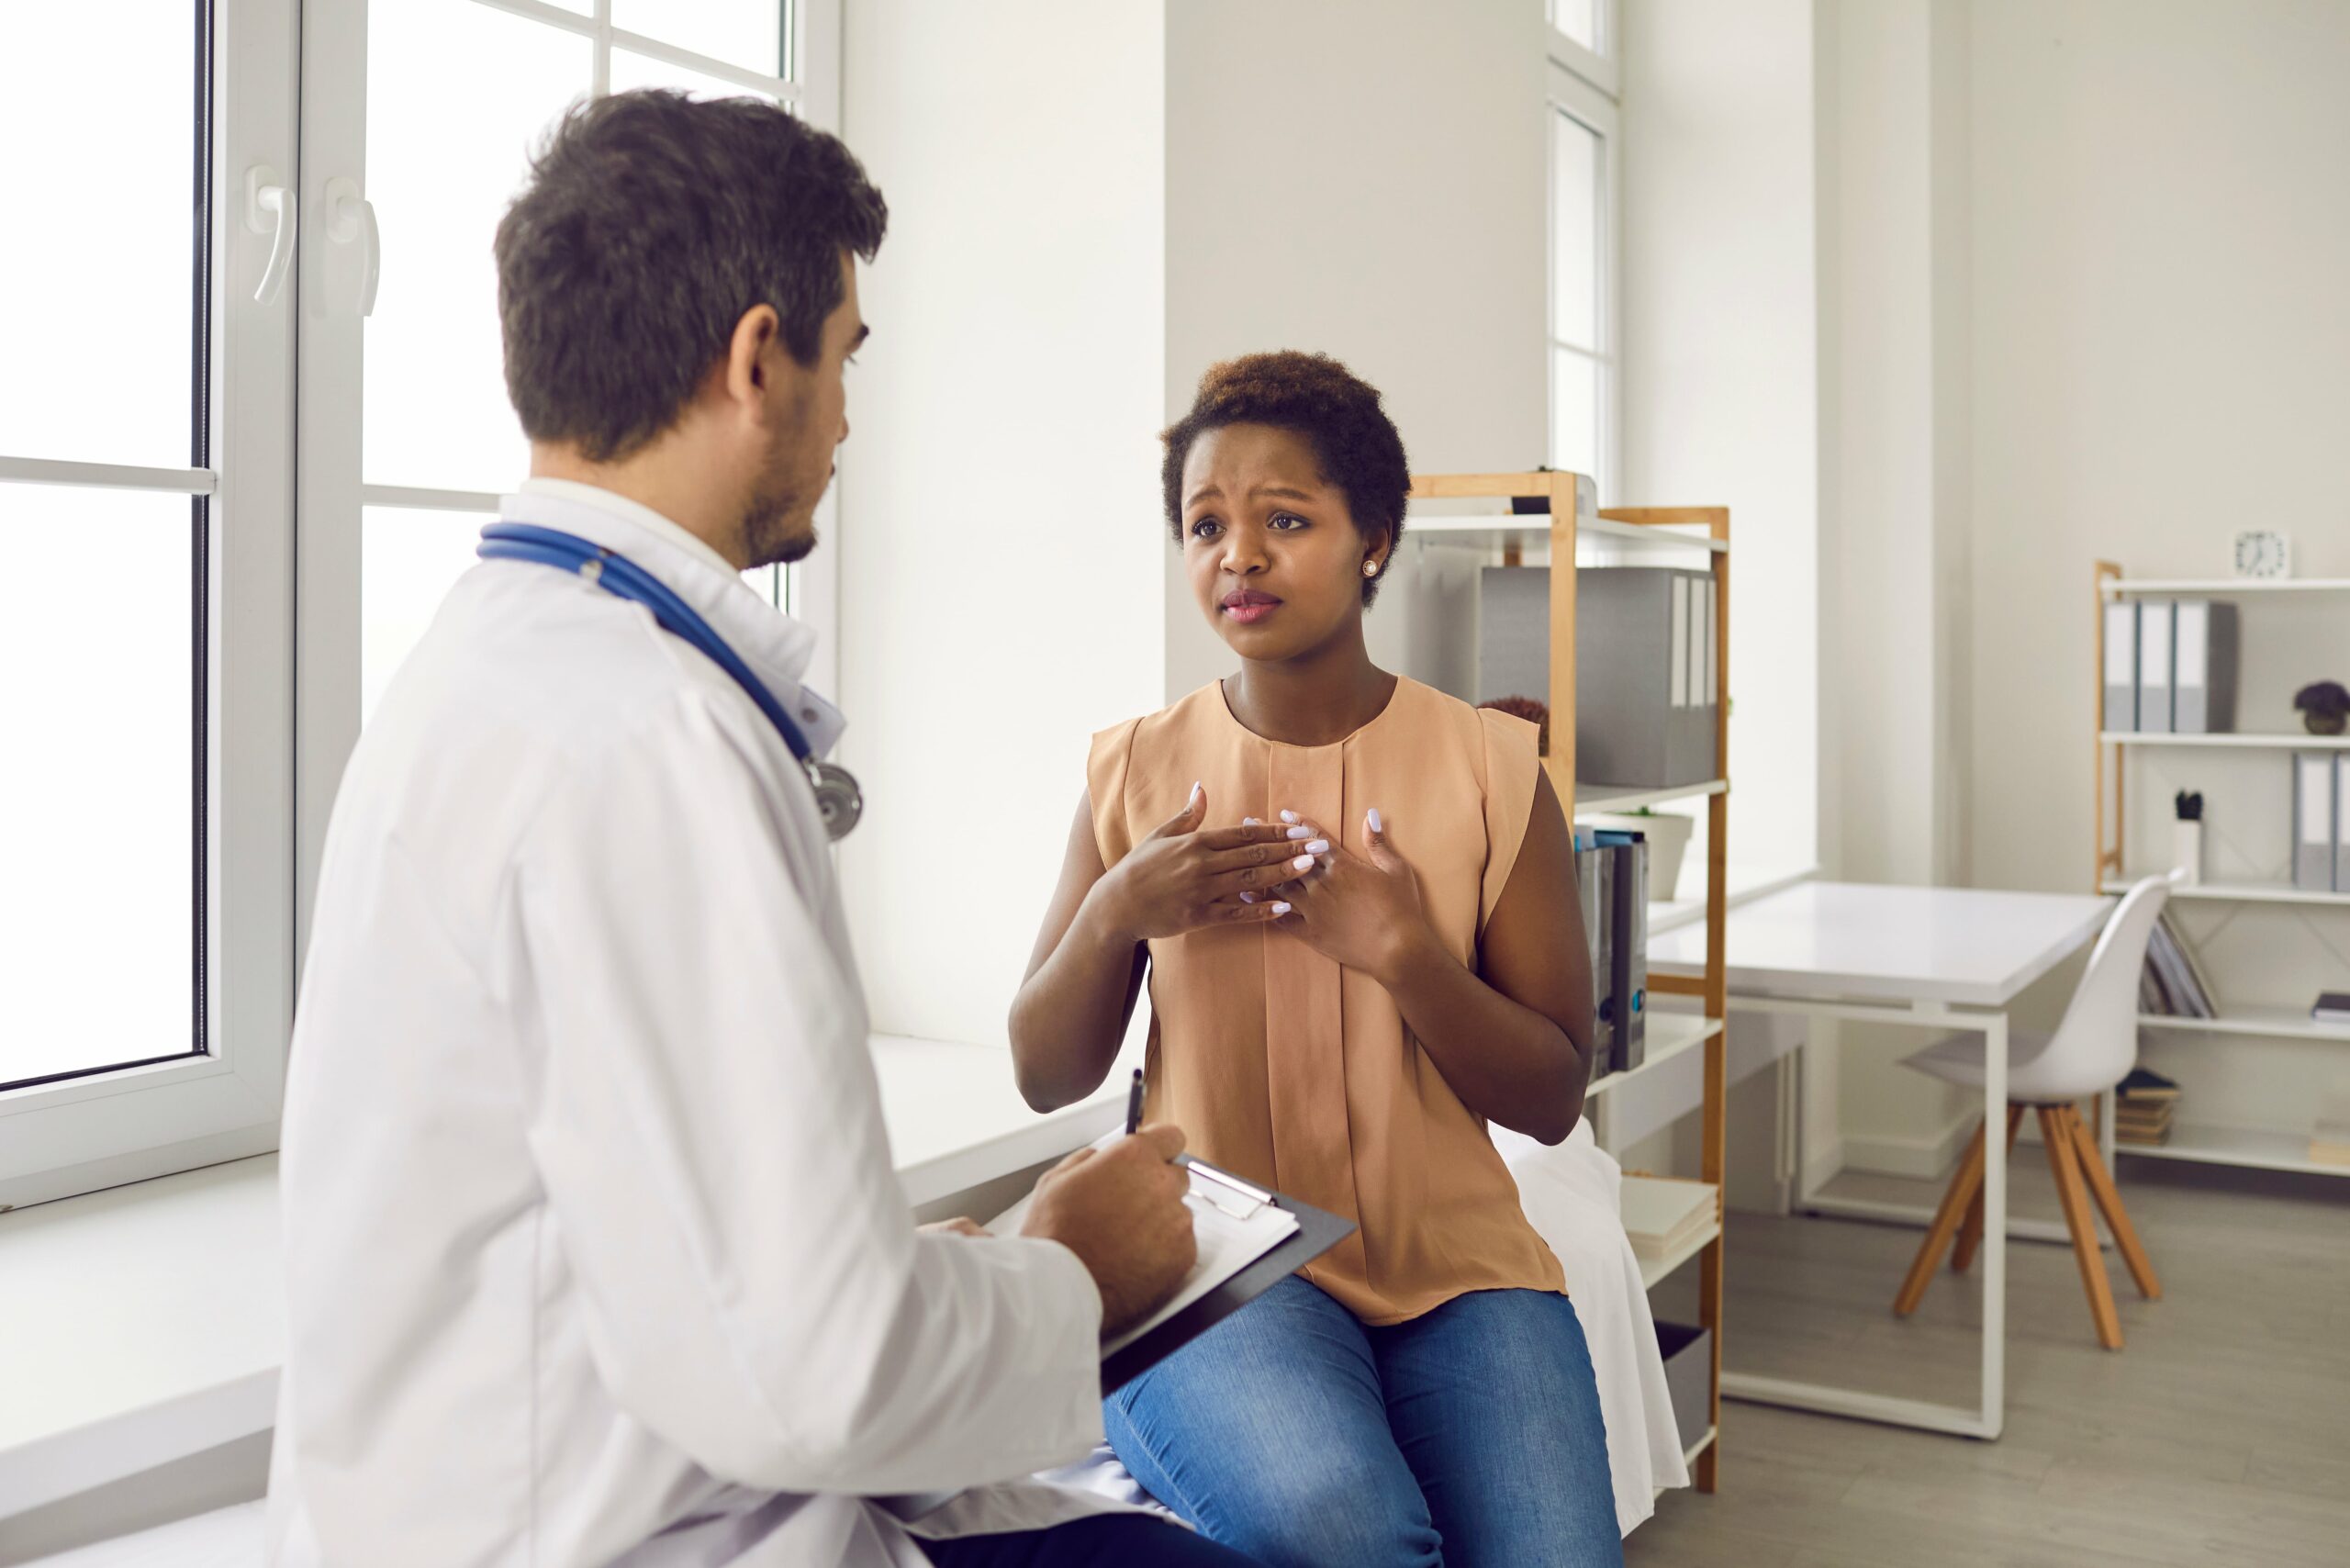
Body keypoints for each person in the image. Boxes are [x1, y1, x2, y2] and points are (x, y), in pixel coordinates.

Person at [266, 91, 1262, 1568]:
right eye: (845, 357)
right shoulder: (656, 738)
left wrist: (926, 1269)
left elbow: (661, 1221)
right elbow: (816, 1372)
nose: (850, 416)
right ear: (755, 359)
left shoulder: (484, 667)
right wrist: (1074, 1270)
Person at [1009, 352, 1626, 1567]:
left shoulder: (1496, 773)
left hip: (1457, 1261)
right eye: (1205, 525)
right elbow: (1044, 1074)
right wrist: (1115, 914)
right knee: (1345, 1532)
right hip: (1218, 1266)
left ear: (1375, 540)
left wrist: (1406, 956)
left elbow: (1553, 1097)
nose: (1237, 556)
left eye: (1285, 520)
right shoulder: (1131, 772)